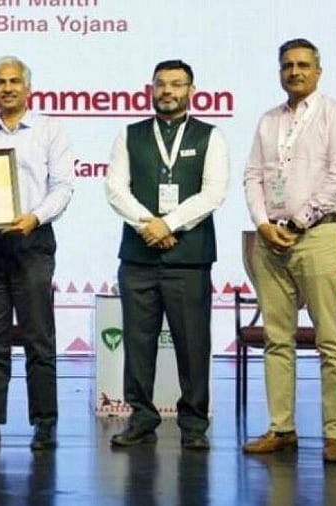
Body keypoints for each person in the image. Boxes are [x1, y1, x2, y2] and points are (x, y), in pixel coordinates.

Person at [241, 38, 336, 463]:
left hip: (319, 237)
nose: (295, 71)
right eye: (288, 65)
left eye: (303, 65)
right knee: (277, 340)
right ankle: (282, 427)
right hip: (272, 241)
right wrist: (262, 224)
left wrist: (296, 223)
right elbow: (253, 176)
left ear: (318, 71)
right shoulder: (268, 121)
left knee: (331, 338)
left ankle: (335, 434)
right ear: (279, 71)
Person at [105, 59, 229, 450]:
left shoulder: (212, 136)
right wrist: (149, 225)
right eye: (160, 85)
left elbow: (214, 193)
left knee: (192, 344)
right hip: (138, 259)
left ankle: (193, 425)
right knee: (138, 344)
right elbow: (115, 189)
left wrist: (170, 223)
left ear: (192, 90)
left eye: (176, 84)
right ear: (151, 89)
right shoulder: (130, 134)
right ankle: (141, 419)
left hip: (189, 259)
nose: (167, 92)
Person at [0, 56, 74, 451]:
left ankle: (45, 423)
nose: (7, 87)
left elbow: (62, 187)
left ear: (28, 88)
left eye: (14, 81)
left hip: (32, 241)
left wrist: (34, 218)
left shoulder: (48, 130)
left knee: (38, 338)